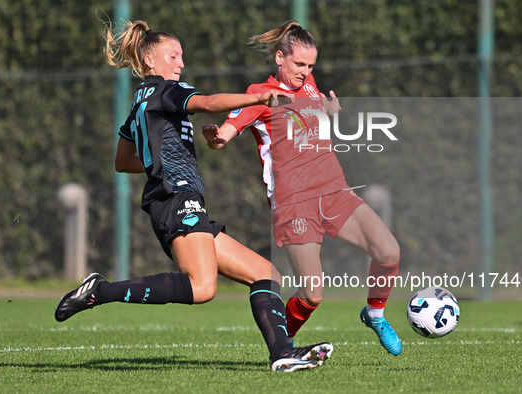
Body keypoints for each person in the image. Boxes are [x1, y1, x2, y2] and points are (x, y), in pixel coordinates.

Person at [54, 20, 333, 372]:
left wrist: (160, 164)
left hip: (175, 198)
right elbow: (210, 102)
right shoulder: (165, 91)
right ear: (150, 61)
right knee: (202, 288)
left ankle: (282, 354)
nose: (180, 62)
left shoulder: (139, 105)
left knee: (267, 274)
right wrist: (260, 96)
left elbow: (123, 162)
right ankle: (100, 290)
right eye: (173, 55)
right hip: (175, 199)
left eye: (182, 55)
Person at [203, 21, 402, 356]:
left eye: (311, 65)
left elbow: (312, 112)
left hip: (334, 190)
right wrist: (216, 137)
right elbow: (226, 132)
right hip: (294, 203)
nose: (305, 71)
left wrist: (330, 111)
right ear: (280, 57)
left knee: (389, 252)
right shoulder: (260, 96)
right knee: (312, 294)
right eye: (299, 64)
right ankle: (283, 344)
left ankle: (375, 314)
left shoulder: (308, 83)